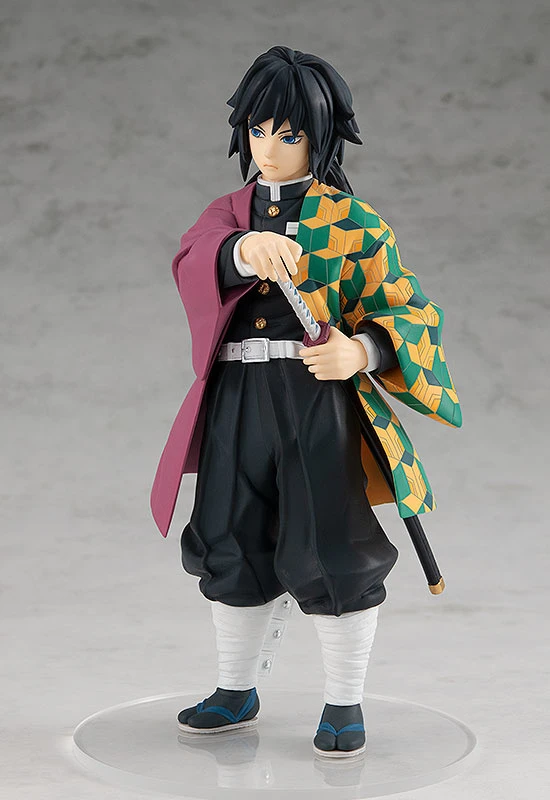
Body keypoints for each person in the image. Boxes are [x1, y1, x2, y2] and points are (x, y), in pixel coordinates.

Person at [150, 46, 462, 758]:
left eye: (288, 134)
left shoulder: (355, 223)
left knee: (332, 543)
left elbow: (412, 311)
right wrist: (239, 252)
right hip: (236, 398)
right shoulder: (227, 214)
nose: (270, 148)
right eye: (258, 131)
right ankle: (235, 687)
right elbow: (193, 258)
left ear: (319, 137)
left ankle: (343, 700)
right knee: (229, 533)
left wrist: (363, 350)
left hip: (315, 399)